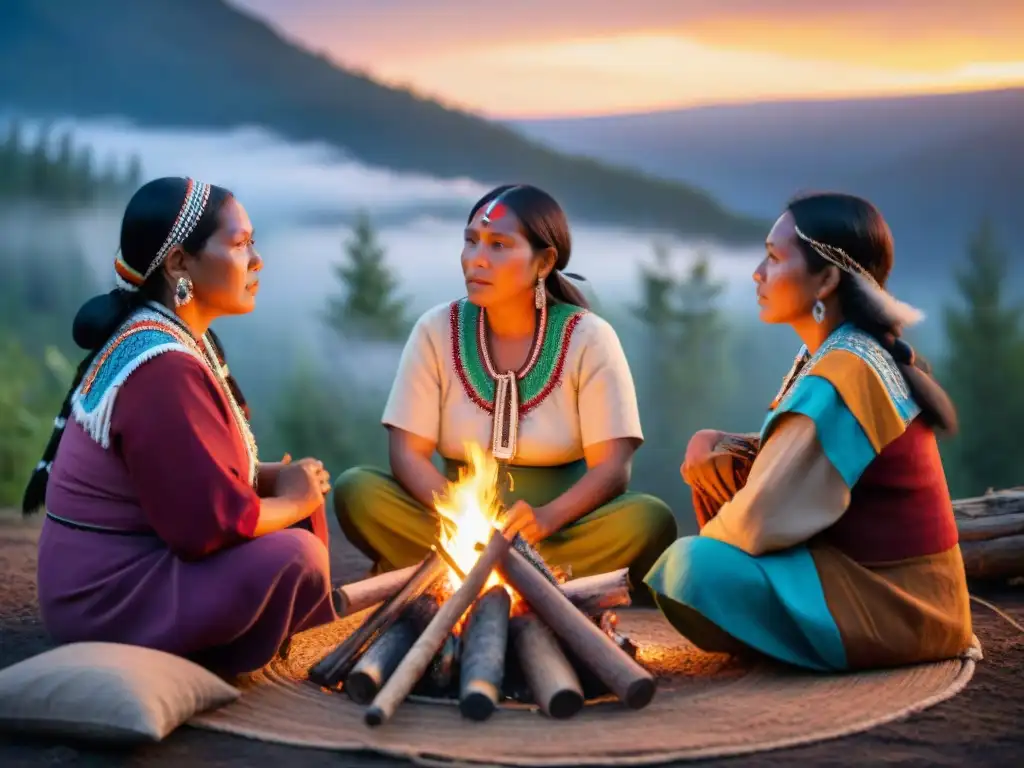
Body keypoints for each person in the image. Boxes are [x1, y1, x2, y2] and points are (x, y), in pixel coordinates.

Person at [645, 192, 973, 672]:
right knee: (709, 489)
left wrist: (712, 540)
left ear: (825, 280)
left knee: (692, 570)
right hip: (898, 593)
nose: (758, 272)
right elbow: (801, 460)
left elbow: (762, 518)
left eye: (774, 258)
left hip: (899, 607)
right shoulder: (844, 352)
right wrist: (716, 445)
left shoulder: (844, 372)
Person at [26, 177, 336, 676]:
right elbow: (202, 526)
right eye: (239, 244)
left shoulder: (175, 338)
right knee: (294, 552)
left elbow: (187, 480)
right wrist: (295, 500)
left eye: (252, 242)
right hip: (106, 599)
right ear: (178, 264)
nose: (257, 260)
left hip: (126, 568)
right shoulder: (161, 366)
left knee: (294, 523)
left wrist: (270, 480)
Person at [333, 184, 676, 591]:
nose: (477, 258)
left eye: (499, 245)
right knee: (357, 490)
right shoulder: (435, 329)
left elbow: (612, 468)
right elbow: (407, 453)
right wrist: (463, 516)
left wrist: (546, 519)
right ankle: (539, 582)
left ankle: (445, 575)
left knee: (648, 520)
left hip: (557, 530)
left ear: (544, 261)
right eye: (471, 241)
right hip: (451, 522)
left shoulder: (589, 337)